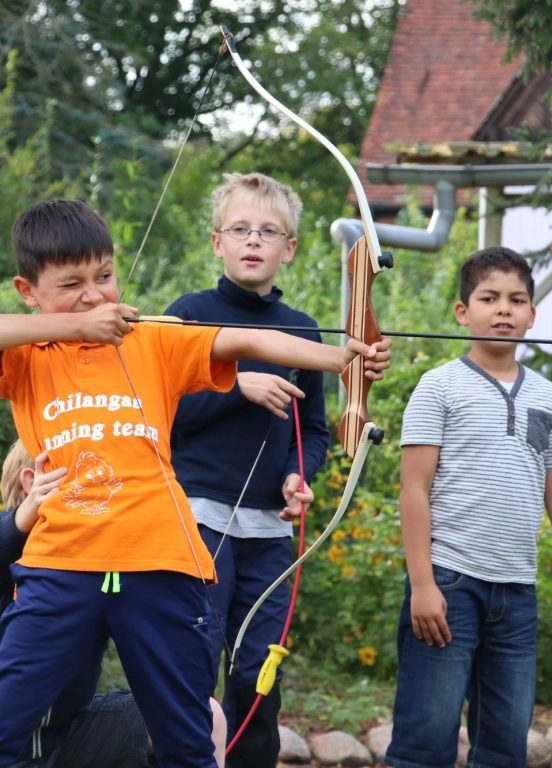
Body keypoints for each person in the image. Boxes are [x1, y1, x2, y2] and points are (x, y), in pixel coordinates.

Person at [0, 198, 390, 767]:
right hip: (60, 567)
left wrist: (338, 358)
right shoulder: (28, 355)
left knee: (186, 741)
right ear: (28, 291)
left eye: (104, 277)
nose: (94, 295)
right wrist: (75, 325)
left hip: (161, 563)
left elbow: (246, 341)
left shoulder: (152, 337)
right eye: (72, 283)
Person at [384, 247, 552, 768]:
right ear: (463, 312)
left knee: (504, 746)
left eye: (516, 300)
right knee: (425, 741)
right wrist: (422, 585)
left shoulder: (548, 396)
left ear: (531, 315)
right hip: (448, 585)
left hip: (517, 593)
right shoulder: (438, 387)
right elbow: (413, 490)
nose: (503, 309)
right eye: (489, 298)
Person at [165, 172, 328, 767]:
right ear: (217, 243)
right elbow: (161, 412)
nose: (252, 240)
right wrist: (236, 384)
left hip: (269, 532)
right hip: (198, 520)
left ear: (290, 248)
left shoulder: (305, 331)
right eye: (240, 229)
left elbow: (311, 429)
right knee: (193, 660)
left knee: (260, 674)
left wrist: (297, 475)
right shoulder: (188, 315)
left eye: (268, 231)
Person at [0, 439, 228, 768]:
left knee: (208, 718)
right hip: (15, 736)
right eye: (85, 477)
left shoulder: (94, 558)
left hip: (68, 734)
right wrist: (23, 519)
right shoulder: (17, 542)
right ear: (33, 482)